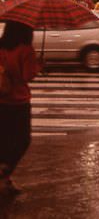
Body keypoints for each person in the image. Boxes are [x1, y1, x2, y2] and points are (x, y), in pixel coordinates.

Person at [0, 21, 39, 196]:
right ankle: (5, 171)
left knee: (3, 139)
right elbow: (27, 76)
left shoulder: (1, 46)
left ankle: (5, 180)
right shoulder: (26, 50)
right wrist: (39, 64)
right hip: (18, 101)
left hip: (1, 99)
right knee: (22, 140)